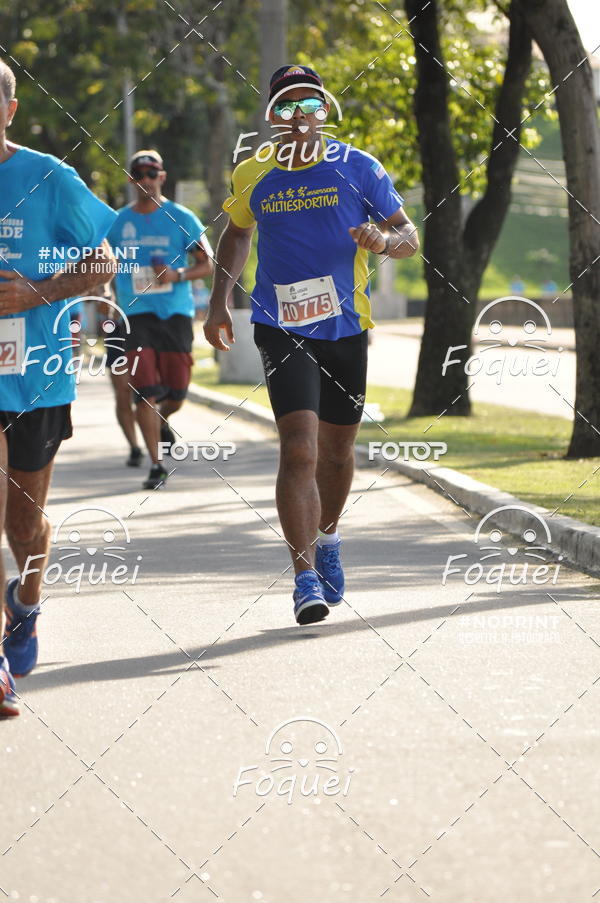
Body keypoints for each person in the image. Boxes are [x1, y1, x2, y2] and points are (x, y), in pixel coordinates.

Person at [204, 65, 419, 626]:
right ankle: (303, 577)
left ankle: (328, 538)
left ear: (325, 111)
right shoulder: (255, 171)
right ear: (272, 114)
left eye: (312, 106)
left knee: (338, 452)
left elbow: (408, 238)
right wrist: (218, 299)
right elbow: (238, 231)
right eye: (288, 106)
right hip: (282, 325)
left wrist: (383, 239)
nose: (300, 117)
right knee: (299, 447)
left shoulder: (358, 167)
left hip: (347, 327)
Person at [0, 59, 116, 716]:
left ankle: (27, 602)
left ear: (10, 109)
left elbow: (105, 259)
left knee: (24, 524)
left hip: (36, 377)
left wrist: (38, 291)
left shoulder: (48, 176)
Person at [108, 150, 214, 489]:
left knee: (177, 393)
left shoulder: (181, 216)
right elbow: (99, 262)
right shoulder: (117, 221)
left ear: (162, 176)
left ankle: (163, 420)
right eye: (139, 175)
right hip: (136, 315)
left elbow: (208, 263)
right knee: (145, 392)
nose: (146, 180)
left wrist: (176, 275)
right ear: (131, 180)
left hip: (176, 313)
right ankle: (156, 465)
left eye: (151, 174)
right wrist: (102, 295)